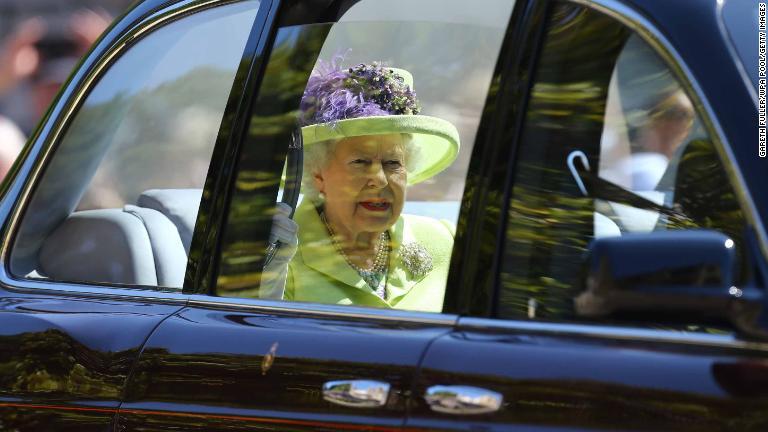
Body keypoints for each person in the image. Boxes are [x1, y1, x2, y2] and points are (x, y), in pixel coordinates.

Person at [262, 61, 460, 312]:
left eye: (392, 163)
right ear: (318, 174)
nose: (379, 179)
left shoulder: (444, 240)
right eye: (360, 162)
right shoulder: (279, 257)